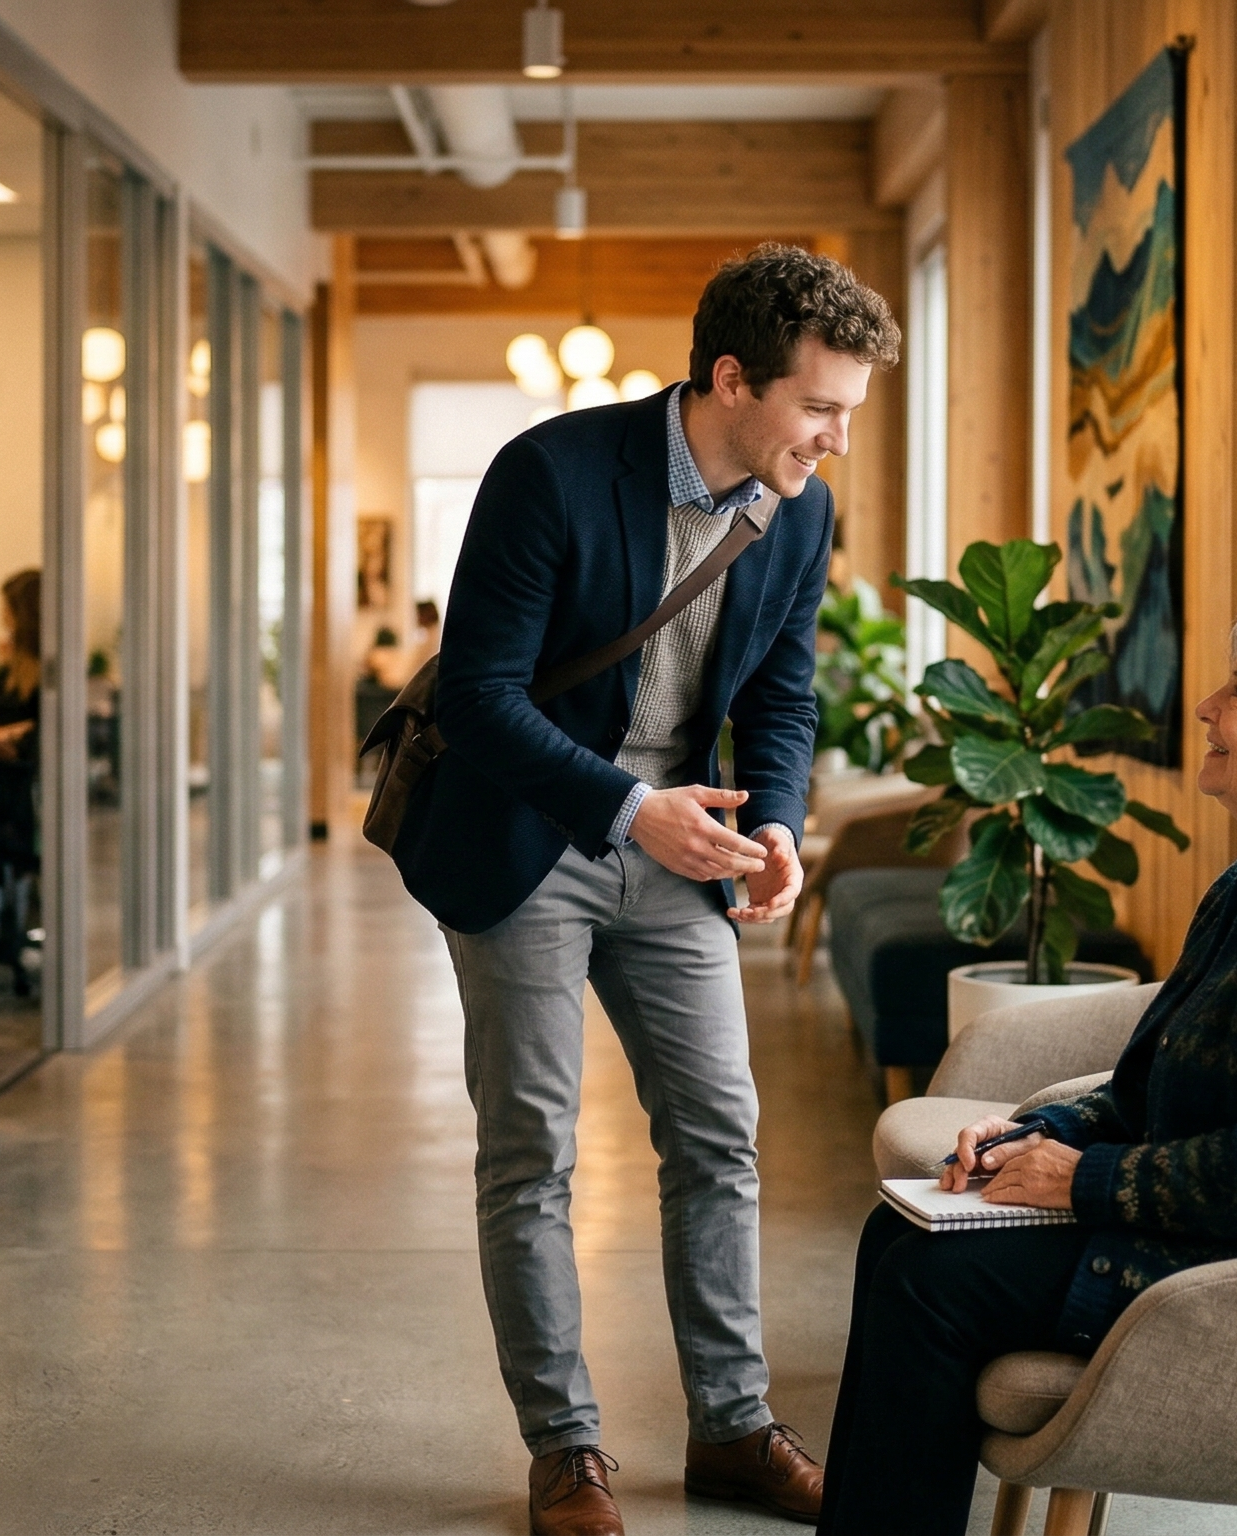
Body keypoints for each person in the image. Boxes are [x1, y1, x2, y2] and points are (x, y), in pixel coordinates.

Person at [389, 245, 900, 1536]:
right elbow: (479, 694)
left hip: (683, 846)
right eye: (819, 407)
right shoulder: (551, 474)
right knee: (533, 1152)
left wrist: (777, 825)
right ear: (733, 379)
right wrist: (627, 809)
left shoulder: (800, 511)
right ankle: (566, 1451)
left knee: (719, 1134)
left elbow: (785, 694)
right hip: (525, 843)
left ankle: (731, 1426)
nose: (837, 439)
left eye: (848, 412)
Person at [816, 598, 1237, 1535]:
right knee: (892, 1237)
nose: (1207, 708)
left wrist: (1081, 1178)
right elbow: (1146, 1088)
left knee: (930, 1282)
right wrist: (1035, 1136)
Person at [0, 568, 41, 998]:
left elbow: (39, 733)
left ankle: (8, 936)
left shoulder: (46, 671)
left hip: (18, 793)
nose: (1, 614)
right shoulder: (8, 665)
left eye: (7, 607)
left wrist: (5, 737)